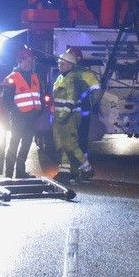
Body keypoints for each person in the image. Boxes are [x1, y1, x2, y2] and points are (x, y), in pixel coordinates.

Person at [51, 50, 95, 183]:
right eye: (59, 63)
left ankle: (87, 170)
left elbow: (71, 100)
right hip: (59, 117)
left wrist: (62, 116)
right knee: (62, 145)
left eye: (63, 64)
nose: (60, 66)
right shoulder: (61, 77)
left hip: (68, 117)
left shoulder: (72, 79)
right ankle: (64, 171)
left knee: (71, 145)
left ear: (70, 65)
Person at [0, 47, 43, 179]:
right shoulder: (11, 78)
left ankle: (20, 173)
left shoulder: (35, 77)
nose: (29, 62)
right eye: (27, 59)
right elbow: (6, 100)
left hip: (31, 117)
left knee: (26, 145)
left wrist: (38, 111)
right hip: (19, 118)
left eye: (31, 60)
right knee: (14, 145)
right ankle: (8, 175)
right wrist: (16, 111)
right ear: (20, 60)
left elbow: (40, 95)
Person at [62, 47, 101, 157]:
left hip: (69, 113)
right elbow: (97, 93)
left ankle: (73, 162)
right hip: (84, 112)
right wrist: (90, 103)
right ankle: (83, 163)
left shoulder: (65, 75)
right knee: (82, 138)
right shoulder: (88, 74)